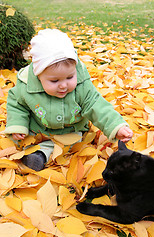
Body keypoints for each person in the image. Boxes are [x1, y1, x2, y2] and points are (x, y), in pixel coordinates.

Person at [5, 29, 133, 171]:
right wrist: (17, 125)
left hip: (72, 130)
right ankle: (37, 155)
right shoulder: (26, 86)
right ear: (38, 75)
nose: (63, 85)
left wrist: (116, 126)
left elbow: (96, 105)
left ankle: (51, 155)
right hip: (40, 131)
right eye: (54, 80)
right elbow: (17, 105)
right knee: (31, 142)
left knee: (74, 144)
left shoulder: (82, 86)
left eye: (70, 77)